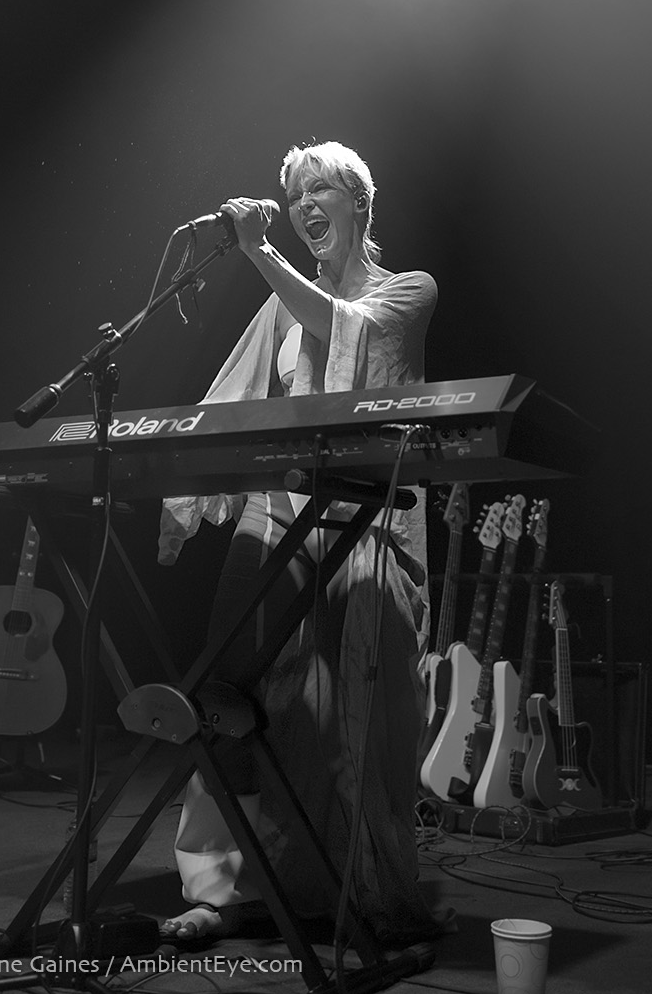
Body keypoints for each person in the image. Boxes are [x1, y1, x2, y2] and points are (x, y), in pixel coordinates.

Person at [157, 141, 438, 945]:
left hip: (370, 519)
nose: (305, 201)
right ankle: (219, 886)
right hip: (279, 512)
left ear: (360, 204)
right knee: (233, 695)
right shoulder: (277, 307)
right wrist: (180, 476)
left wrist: (260, 251)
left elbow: (349, 331)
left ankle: (352, 882)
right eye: (295, 191)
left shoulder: (407, 291)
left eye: (322, 189)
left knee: (355, 702)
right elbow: (231, 400)